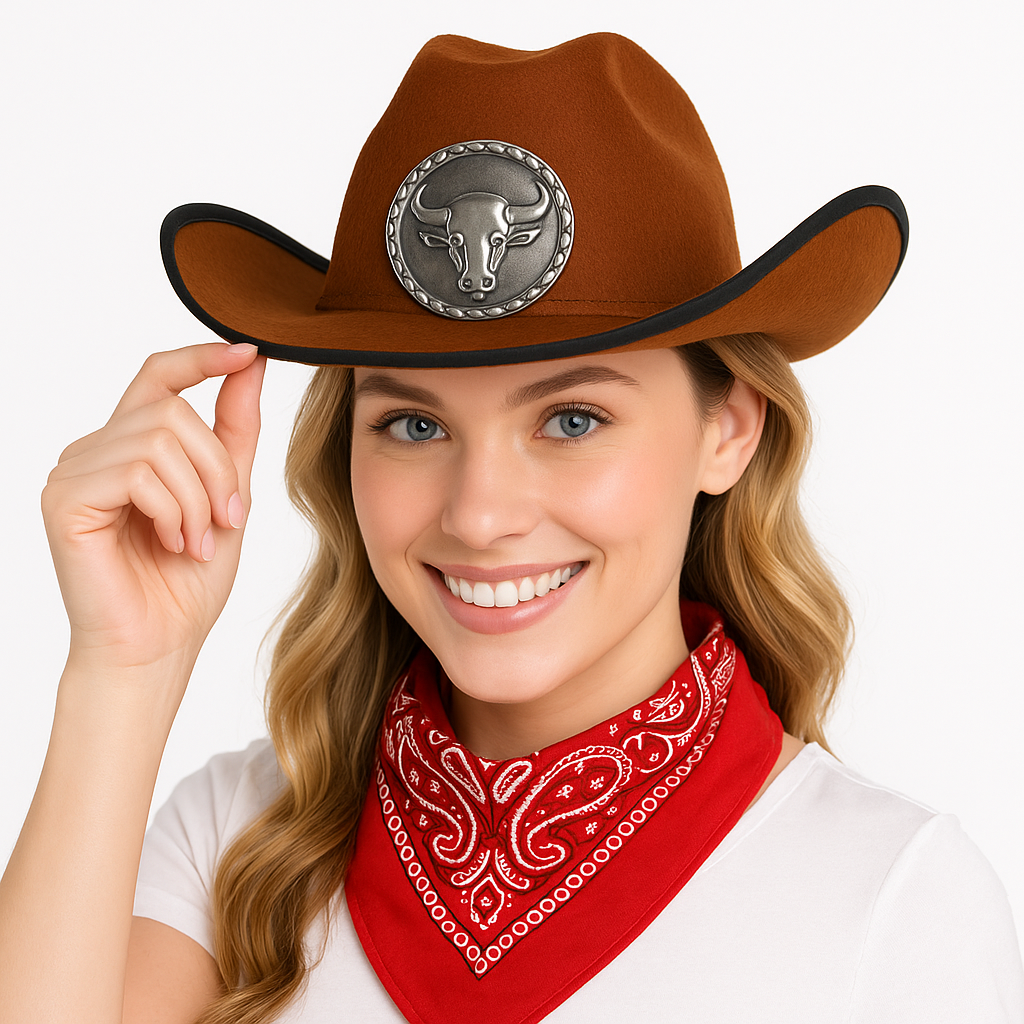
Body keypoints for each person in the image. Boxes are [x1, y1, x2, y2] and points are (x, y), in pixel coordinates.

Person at [1, 31, 1021, 1024]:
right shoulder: (233, 839)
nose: (480, 513)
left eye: (572, 419)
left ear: (728, 429)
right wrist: (120, 673)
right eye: (412, 423)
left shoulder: (897, 902)